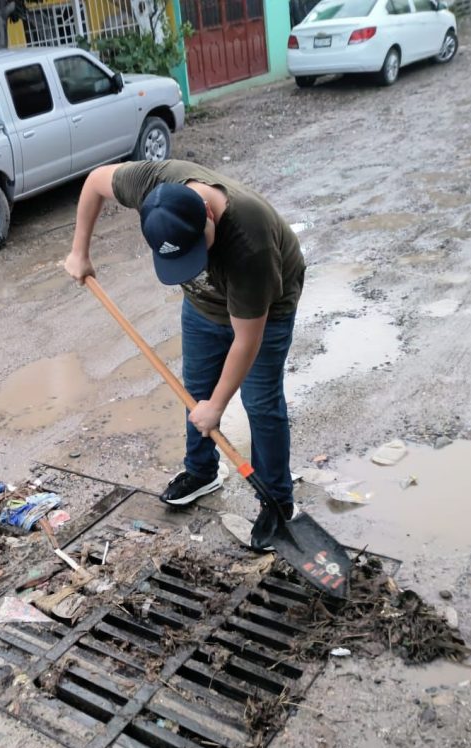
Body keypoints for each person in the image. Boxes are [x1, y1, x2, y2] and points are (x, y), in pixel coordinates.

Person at [64, 160, 305, 543]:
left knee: (260, 401)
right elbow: (94, 181)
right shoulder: (151, 185)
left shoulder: (250, 241)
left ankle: (277, 501)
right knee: (195, 390)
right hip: (204, 305)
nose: (192, 264)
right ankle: (202, 471)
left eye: (196, 249)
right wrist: (80, 251)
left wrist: (218, 406)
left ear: (207, 212)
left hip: (266, 306)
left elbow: (246, 341)